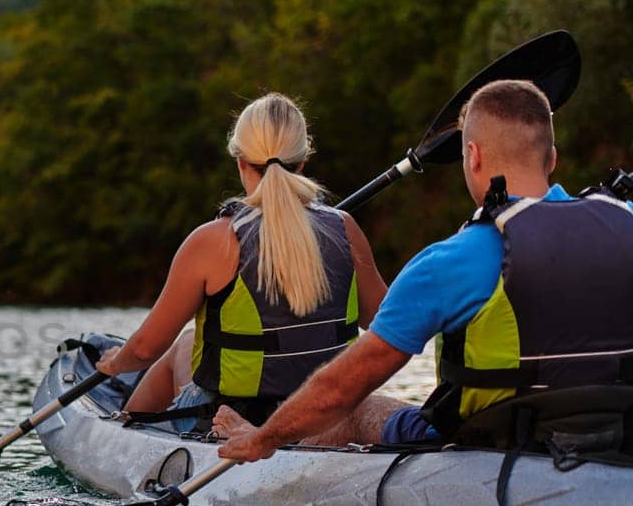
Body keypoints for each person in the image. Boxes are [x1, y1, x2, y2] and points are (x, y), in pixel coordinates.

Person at [217, 78, 633, 463]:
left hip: (497, 446)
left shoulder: (451, 261)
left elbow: (340, 389)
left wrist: (262, 439)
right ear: (553, 158)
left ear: (472, 156)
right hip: (617, 437)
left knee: (362, 409)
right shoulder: (625, 221)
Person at [95, 93, 386, 434]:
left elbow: (144, 350)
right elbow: (385, 321)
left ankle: (123, 435)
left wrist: (116, 363)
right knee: (189, 341)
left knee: (181, 349)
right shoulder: (345, 228)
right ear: (303, 161)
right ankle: (129, 433)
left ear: (240, 162)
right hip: (324, 415)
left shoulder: (213, 241)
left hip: (230, 419)